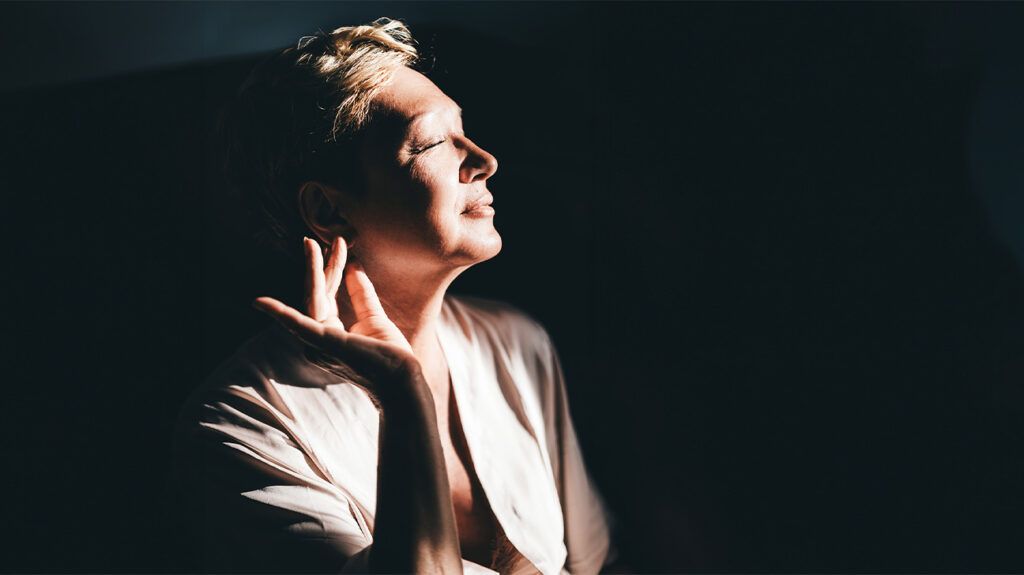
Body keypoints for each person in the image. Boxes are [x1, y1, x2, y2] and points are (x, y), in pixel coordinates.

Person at [170, 17, 618, 575]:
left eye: (465, 130)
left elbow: (595, 563)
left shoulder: (515, 342)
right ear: (329, 210)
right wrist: (403, 396)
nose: (482, 161)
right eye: (432, 143)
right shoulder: (241, 426)